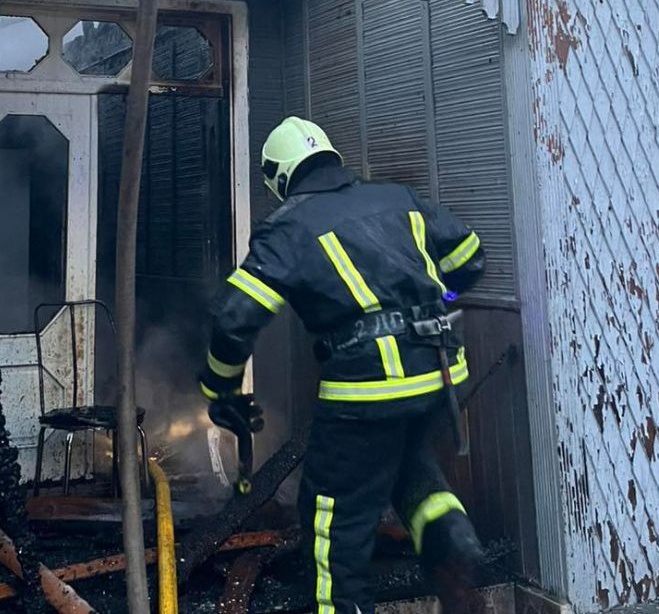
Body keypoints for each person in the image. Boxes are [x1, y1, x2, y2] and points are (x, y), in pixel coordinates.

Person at [198, 117, 487, 614]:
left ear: (279, 175)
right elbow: (470, 258)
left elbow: (234, 319)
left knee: (333, 523)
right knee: (409, 472)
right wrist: (434, 301)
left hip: (366, 394)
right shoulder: (400, 198)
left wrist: (218, 392)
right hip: (437, 379)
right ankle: (451, 535)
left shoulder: (289, 226)